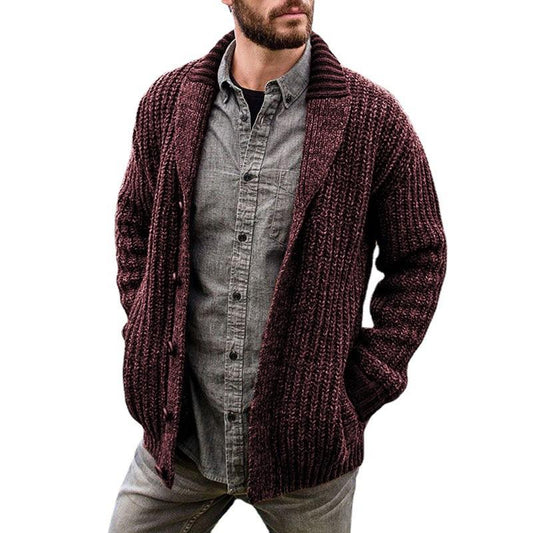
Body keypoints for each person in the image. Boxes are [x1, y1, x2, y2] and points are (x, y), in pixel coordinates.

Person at [108, 1, 447, 531]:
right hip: (180, 444)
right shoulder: (168, 104)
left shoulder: (372, 120)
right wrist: (147, 327)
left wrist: (361, 386)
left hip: (306, 460)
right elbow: (135, 222)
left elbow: (420, 258)